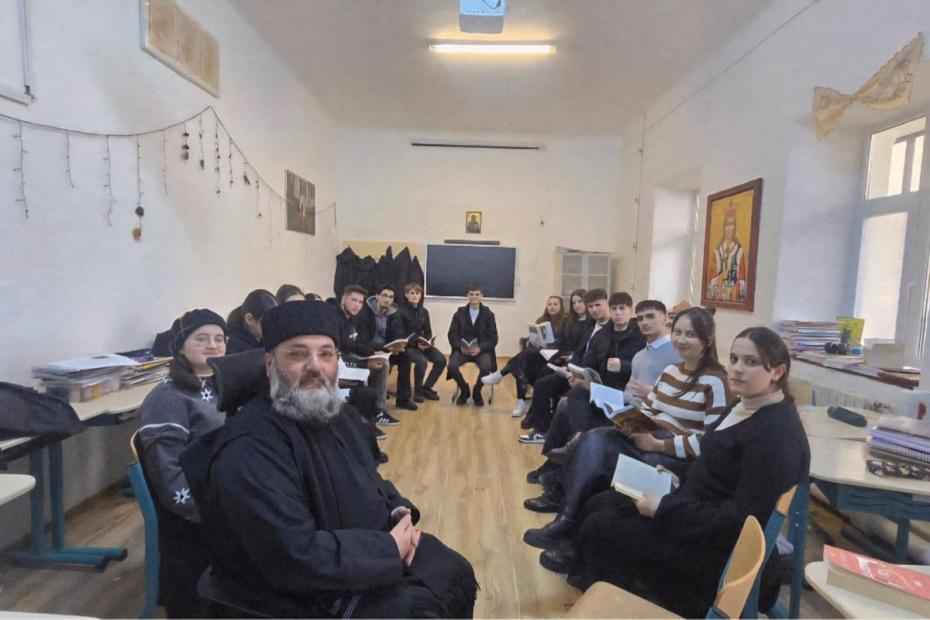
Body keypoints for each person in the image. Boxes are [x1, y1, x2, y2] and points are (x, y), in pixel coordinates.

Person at [180, 300, 477, 618]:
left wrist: (397, 509)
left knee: (454, 571)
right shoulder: (248, 447)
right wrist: (389, 549)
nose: (315, 367)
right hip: (303, 591)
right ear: (269, 364)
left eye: (326, 354)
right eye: (298, 354)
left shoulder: (337, 415)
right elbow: (293, 554)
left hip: (361, 549)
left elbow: (369, 478)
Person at [549, 327, 809, 618]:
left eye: (751, 362)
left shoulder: (776, 436)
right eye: (734, 359)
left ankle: (622, 605)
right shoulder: (742, 405)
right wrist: (674, 480)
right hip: (696, 509)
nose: (737, 369)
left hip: (715, 551)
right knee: (599, 502)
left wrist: (663, 508)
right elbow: (715, 466)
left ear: (777, 371)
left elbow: (739, 520)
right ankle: (602, 589)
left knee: (601, 527)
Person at [523, 306, 730, 545]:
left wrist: (658, 445)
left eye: (691, 335)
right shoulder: (671, 371)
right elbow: (649, 408)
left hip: (673, 452)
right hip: (650, 433)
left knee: (596, 446)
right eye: (678, 332)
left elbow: (710, 443)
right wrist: (630, 421)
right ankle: (568, 516)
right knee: (594, 436)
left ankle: (568, 512)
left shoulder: (714, 381)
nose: (681, 340)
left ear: (707, 340)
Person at [136, 309, 228, 618]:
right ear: (180, 346)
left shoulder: (223, 386)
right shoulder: (168, 398)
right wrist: (223, 512)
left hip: (223, 490)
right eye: (201, 338)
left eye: (219, 338)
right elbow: (170, 478)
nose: (212, 345)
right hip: (193, 514)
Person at [518, 289, 611, 442]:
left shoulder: (610, 328)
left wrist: (577, 371)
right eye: (591, 306)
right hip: (575, 370)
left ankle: (545, 426)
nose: (594, 309)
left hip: (592, 377)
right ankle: (541, 429)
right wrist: (570, 368)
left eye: (597, 305)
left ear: (607, 304)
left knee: (544, 375)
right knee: (541, 381)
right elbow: (579, 352)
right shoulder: (590, 325)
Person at [482, 295, 567, 417]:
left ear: (561, 306)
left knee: (525, 358)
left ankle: (501, 375)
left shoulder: (566, 322)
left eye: (555, 304)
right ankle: (520, 402)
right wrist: (531, 342)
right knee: (523, 364)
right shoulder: (541, 320)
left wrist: (549, 344)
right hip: (539, 356)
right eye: (549, 304)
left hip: (554, 359)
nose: (552, 307)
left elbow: (564, 344)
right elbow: (530, 339)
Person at [337, 285, 392, 427]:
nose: (357, 305)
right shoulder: (335, 320)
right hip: (339, 363)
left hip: (350, 356)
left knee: (382, 362)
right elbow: (340, 353)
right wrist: (364, 363)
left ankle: (378, 411)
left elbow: (356, 344)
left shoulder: (353, 319)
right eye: (353, 300)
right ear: (343, 299)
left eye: (360, 302)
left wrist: (373, 353)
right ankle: (371, 417)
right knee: (379, 366)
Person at [365, 284, 418, 413]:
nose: (387, 299)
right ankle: (376, 404)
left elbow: (398, 333)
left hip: (387, 349)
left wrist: (399, 344)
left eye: (390, 297)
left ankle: (403, 399)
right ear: (377, 296)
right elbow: (364, 338)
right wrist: (381, 348)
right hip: (370, 349)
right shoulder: (366, 312)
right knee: (383, 363)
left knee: (406, 356)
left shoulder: (395, 314)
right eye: (384, 295)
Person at [446, 283, 498, 407]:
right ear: (467, 296)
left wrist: (480, 348)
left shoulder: (489, 315)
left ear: (482, 296)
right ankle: (464, 389)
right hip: (462, 350)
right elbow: (452, 334)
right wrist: (460, 346)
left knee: (486, 366)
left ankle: (477, 391)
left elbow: (493, 338)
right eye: (471, 294)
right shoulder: (459, 313)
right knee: (451, 366)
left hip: (481, 351)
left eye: (477, 294)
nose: (474, 297)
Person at [396, 282, 445, 402]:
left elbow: (428, 332)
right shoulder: (400, 312)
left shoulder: (424, 312)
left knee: (441, 360)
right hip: (408, 347)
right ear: (406, 295)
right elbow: (400, 334)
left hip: (423, 345)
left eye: (417, 293)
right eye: (412, 293)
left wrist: (427, 341)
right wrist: (415, 343)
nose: (415, 296)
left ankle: (426, 387)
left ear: (421, 295)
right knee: (421, 361)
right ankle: (418, 392)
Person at [707, 203, 747, 303]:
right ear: (724, 227)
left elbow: (743, 281)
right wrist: (721, 277)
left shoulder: (739, 251)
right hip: (719, 295)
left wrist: (733, 286)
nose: (729, 228)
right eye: (727, 225)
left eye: (731, 224)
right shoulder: (717, 252)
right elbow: (711, 282)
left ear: (734, 227)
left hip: (733, 294)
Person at [226, 289, 277, 353]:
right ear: (249, 319)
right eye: (268, 322)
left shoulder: (259, 336)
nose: (274, 327)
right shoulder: (235, 346)